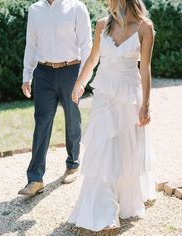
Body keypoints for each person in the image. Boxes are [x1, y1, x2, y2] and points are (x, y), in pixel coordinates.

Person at [68, 0, 157, 231]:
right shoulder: (101, 25)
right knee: (104, 148)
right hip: (104, 95)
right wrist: (79, 83)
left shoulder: (144, 28)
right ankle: (104, 210)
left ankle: (122, 198)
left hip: (129, 96)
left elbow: (145, 68)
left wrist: (146, 103)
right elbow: (93, 58)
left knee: (125, 149)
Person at [18, 0, 92, 196]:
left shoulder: (76, 7)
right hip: (43, 72)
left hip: (71, 70)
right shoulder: (35, 10)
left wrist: (82, 80)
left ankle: (73, 164)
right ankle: (35, 178)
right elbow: (31, 45)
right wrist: (27, 76)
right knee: (41, 122)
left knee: (72, 119)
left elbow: (87, 45)